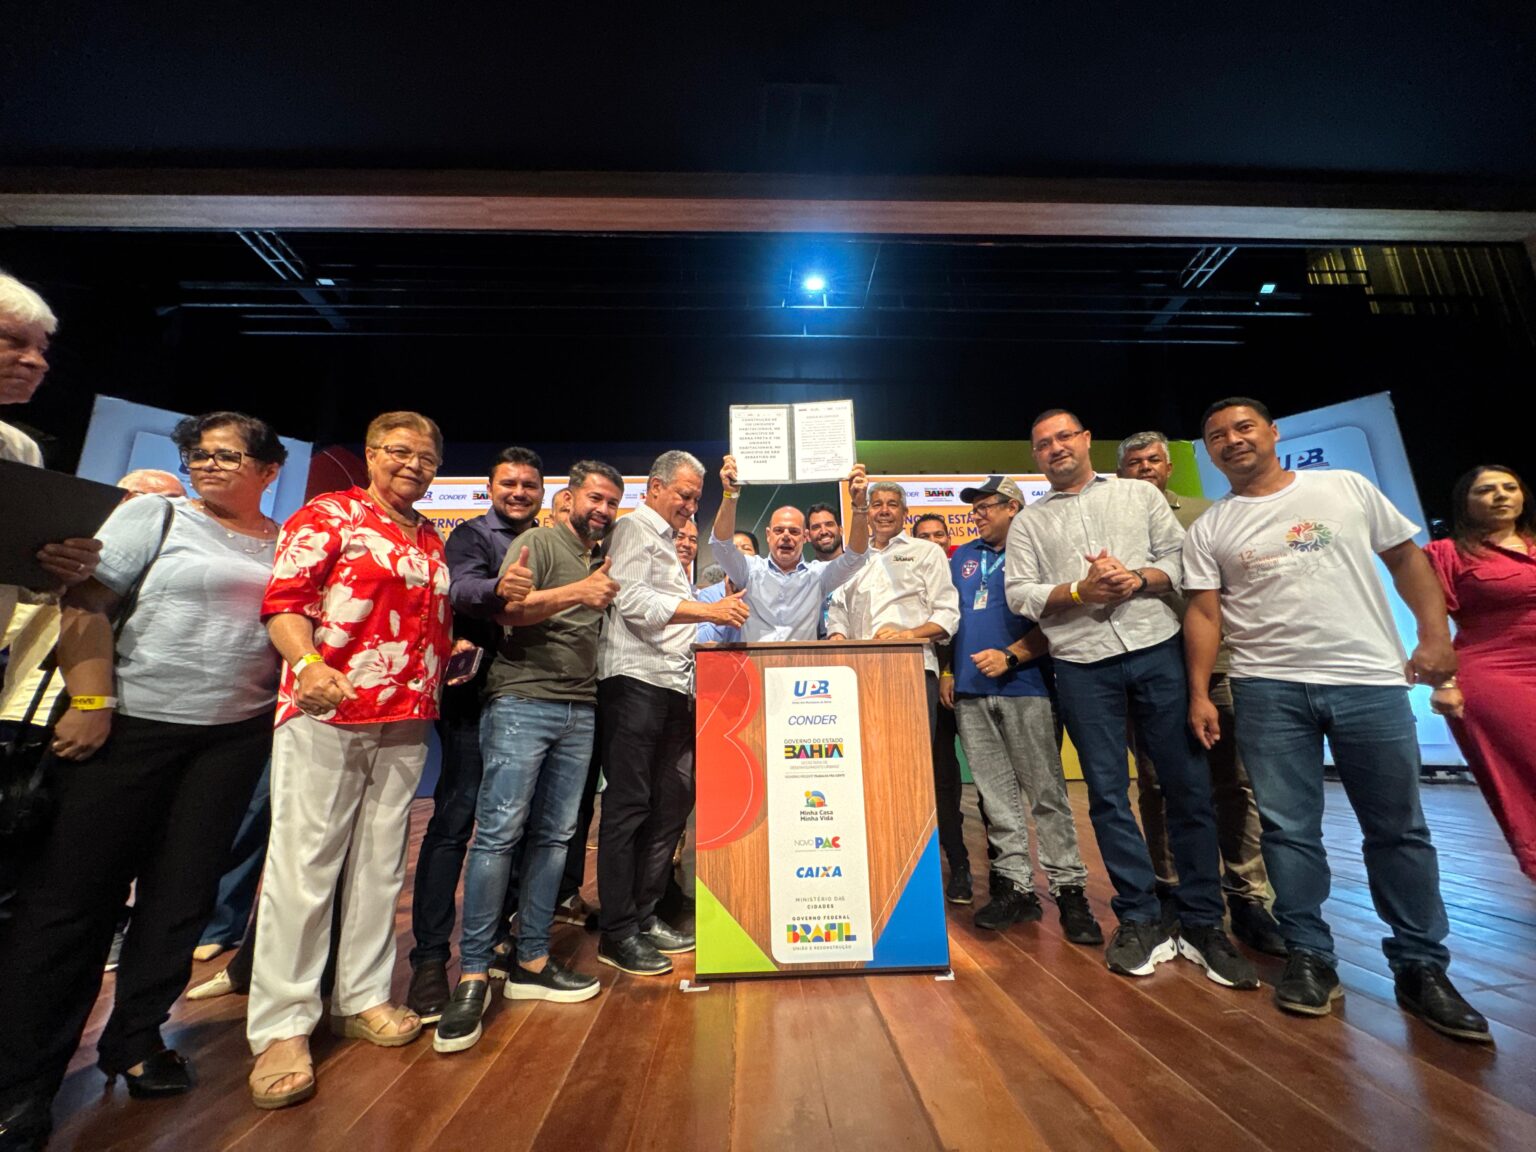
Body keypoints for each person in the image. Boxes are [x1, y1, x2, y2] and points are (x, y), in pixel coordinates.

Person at [0, 412, 286, 1144]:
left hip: (232, 739)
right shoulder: (156, 516)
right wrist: (92, 704)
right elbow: (86, 602)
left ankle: (136, 1036)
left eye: (228, 456)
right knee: (71, 901)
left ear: (268, 470)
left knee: (181, 898)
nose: (208, 465)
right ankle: (22, 1082)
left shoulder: (285, 542)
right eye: (199, 454)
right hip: (129, 729)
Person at [1184, 397, 1488, 1041]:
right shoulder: (1212, 527)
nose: (1233, 440)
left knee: (1398, 828)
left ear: (1273, 433)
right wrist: (1200, 693)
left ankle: (1421, 965)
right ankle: (1310, 954)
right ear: (1209, 450)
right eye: (1217, 435)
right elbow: (1205, 614)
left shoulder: (1343, 487)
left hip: (1367, 680)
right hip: (1267, 688)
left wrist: (1435, 636)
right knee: (1288, 830)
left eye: (1244, 427)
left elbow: (1408, 560)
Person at [247, 412, 502, 1109]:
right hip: (328, 708)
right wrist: (307, 664)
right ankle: (282, 1026)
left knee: (382, 862)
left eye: (427, 457)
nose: (413, 465)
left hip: (407, 714)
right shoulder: (329, 516)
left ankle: (359, 996)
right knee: (305, 865)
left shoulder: (427, 536)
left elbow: (416, 618)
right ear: (370, 454)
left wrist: (448, 647)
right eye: (399, 451)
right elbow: (285, 604)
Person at [1005, 409, 1255, 990]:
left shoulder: (1137, 496)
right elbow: (1020, 594)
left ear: (1087, 440)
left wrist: (1137, 578)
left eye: (1065, 437)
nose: (1056, 448)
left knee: (1187, 785)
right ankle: (1140, 916)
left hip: (1156, 649)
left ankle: (1203, 921)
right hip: (1080, 664)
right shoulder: (1029, 523)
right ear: (1035, 456)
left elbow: (1182, 560)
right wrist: (1078, 590)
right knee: (1107, 795)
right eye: (1043, 444)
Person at [434, 461, 625, 1052]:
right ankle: (473, 975)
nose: (603, 509)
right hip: (522, 701)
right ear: (569, 497)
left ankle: (532, 960)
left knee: (556, 838)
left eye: (612, 502)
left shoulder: (601, 556)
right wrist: (578, 592)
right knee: (498, 835)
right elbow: (507, 611)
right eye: (595, 498)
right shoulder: (537, 542)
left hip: (581, 708)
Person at [1117, 431, 1284, 956]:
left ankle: (1248, 895)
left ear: (1169, 467)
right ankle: (1170, 888)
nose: (1145, 468)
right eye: (1134, 462)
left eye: (1153, 460)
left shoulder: (1206, 514)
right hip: (1149, 667)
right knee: (1156, 785)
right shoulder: (1111, 520)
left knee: (1234, 782)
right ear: (1121, 472)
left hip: (1218, 665)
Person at [596, 450, 750, 977]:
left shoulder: (666, 542)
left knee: (668, 808)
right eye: (683, 494)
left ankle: (644, 915)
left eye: (695, 499)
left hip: (672, 687)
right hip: (634, 682)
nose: (689, 506)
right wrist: (709, 610)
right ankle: (617, 931)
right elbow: (634, 603)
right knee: (628, 809)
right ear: (655, 487)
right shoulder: (635, 530)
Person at [407, 447, 543, 1024]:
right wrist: (501, 590)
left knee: (518, 825)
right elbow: (459, 590)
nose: (518, 492)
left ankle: (499, 940)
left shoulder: (548, 540)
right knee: (454, 822)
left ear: (541, 492)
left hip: (530, 700)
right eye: (509, 483)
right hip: (473, 701)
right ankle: (430, 960)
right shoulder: (469, 536)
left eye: (529, 484)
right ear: (491, 487)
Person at [948, 477, 1101, 944]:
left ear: (1013, 507)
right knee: (995, 799)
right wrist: (949, 670)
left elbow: (1061, 618)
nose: (977, 514)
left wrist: (1012, 656)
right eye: (974, 508)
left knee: (1046, 794)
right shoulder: (963, 557)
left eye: (986, 506)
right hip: (971, 692)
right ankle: (1014, 887)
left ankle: (1069, 890)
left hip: (1026, 686)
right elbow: (949, 618)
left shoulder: (1037, 551)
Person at [826, 481, 962, 885]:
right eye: (876, 504)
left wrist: (909, 634)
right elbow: (837, 611)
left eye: (891, 504)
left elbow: (948, 615)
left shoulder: (925, 552)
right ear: (866, 512)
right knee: (865, 772)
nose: (883, 510)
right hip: (858, 675)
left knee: (911, 773)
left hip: (911, 670)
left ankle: (919, 870)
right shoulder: (852, 558)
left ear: (905, 512)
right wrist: (837, 634)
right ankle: (874, 865)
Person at [1424, 465, 1536, 881]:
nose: (1501, 495)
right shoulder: (1446, 554)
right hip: (1497, 674)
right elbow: (1432, 624)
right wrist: (1443, 682)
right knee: (1527, 774)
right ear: (1465, 503)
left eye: (1510, 487)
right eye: (1486, 490)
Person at [0, 272, 103, 690]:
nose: (37, 362)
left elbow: (23, 584)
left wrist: (58, 566)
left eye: (41, 349)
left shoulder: (19, 449)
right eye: (13, 340)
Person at [709, 455, 869, 640]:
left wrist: (859, 506)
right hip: (756, 658)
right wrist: (730, 495)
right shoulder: (748, 570)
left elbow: (856, 557)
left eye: (793, 531)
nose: (786, 536)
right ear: (768, 535)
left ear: (805, 537)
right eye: (779, 530)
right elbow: (721, 546)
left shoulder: (818, 575)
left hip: (800, 660)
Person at [911, 513, 974, 902]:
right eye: (924, 536)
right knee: (941, 776)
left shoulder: (965, 573)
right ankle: (956, 863)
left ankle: (994, 871)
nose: (932, 541)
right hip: (930, 684)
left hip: (971, 683)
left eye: (939, 535)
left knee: (980, 782)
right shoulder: (910, 574)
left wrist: (950, 671)